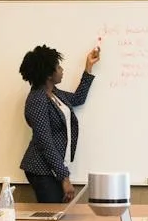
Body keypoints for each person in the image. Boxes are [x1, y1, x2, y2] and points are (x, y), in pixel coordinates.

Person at [18, 43, 99, 202]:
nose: (62, 70)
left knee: (58, 212)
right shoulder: (37, 100)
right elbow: (45, 142)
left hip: (53, 168)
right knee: (53, 213)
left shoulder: (54, 93)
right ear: (49, 74)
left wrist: (88, 67)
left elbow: (78, 98)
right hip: (41, 169)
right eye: (58, 67)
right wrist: (64, 177)